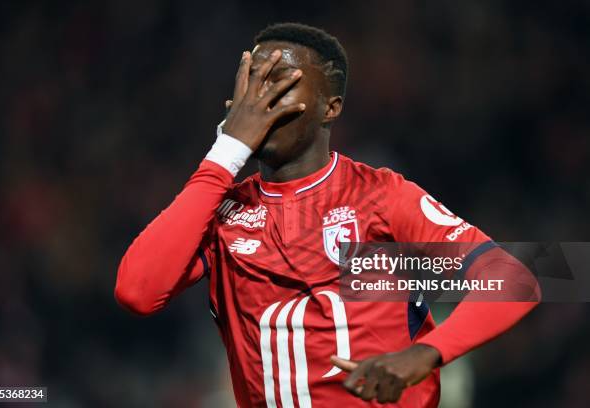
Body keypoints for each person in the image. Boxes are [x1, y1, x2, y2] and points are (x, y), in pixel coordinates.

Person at [115, 22, 538, 407]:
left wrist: (422, 355)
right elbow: (137, 291)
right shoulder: (222, 211)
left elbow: (514, 280)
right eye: (252, 87)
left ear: (330, 108)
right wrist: (225, 153)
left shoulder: (380, 196)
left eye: (282, 85)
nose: (263, 102)